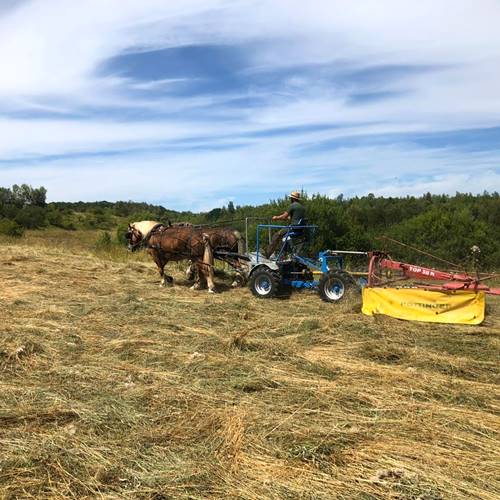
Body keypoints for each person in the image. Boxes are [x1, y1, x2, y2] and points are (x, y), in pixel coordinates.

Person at [264, 191, 307, 258]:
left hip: (293, 228)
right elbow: (296, 218)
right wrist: (289, 218)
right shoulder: (302, 207)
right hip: (300, 229)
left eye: (290, 198)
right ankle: (283, 254)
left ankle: (267, 254)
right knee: (282, 237)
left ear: (292, 199)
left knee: (276, 236)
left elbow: (284, 216)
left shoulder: (292, 205)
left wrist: (276, 217)